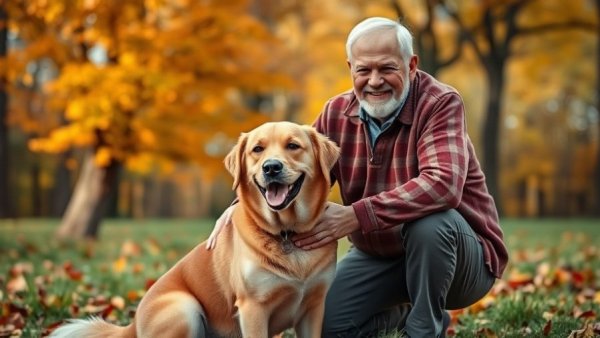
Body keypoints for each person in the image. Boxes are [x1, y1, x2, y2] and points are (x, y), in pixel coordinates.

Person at [208, 16, 508, 338]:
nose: (375, 81)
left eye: (387, 68)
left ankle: (424, 329)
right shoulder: (336, 113)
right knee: (324, 325)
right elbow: (297, 168)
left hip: (460, 261)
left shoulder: (439, 104)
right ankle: (401, 312)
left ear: (411, 65)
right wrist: (242, 204)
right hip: (380, 257)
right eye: (364, 70)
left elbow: (443, 185)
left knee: (430, 223)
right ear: (351, 68)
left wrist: (356, 215)